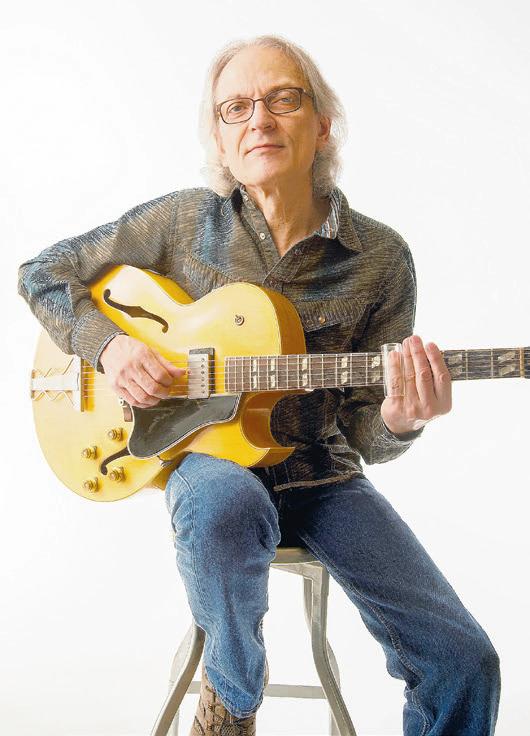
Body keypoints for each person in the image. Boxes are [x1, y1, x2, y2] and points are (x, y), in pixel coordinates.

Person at [18, 34, 500, 736]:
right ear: (219, 137)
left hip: (323, 479)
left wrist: (402, 419)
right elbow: (42, 272)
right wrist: (110, 347)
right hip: (210, 465)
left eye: (282, 100)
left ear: (322, 124)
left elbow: (369, 436)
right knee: (224, 505)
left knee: (464, 660)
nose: (259, 121)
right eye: (236, 108)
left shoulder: (381, 258)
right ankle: (232, 697)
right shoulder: (182, 222)